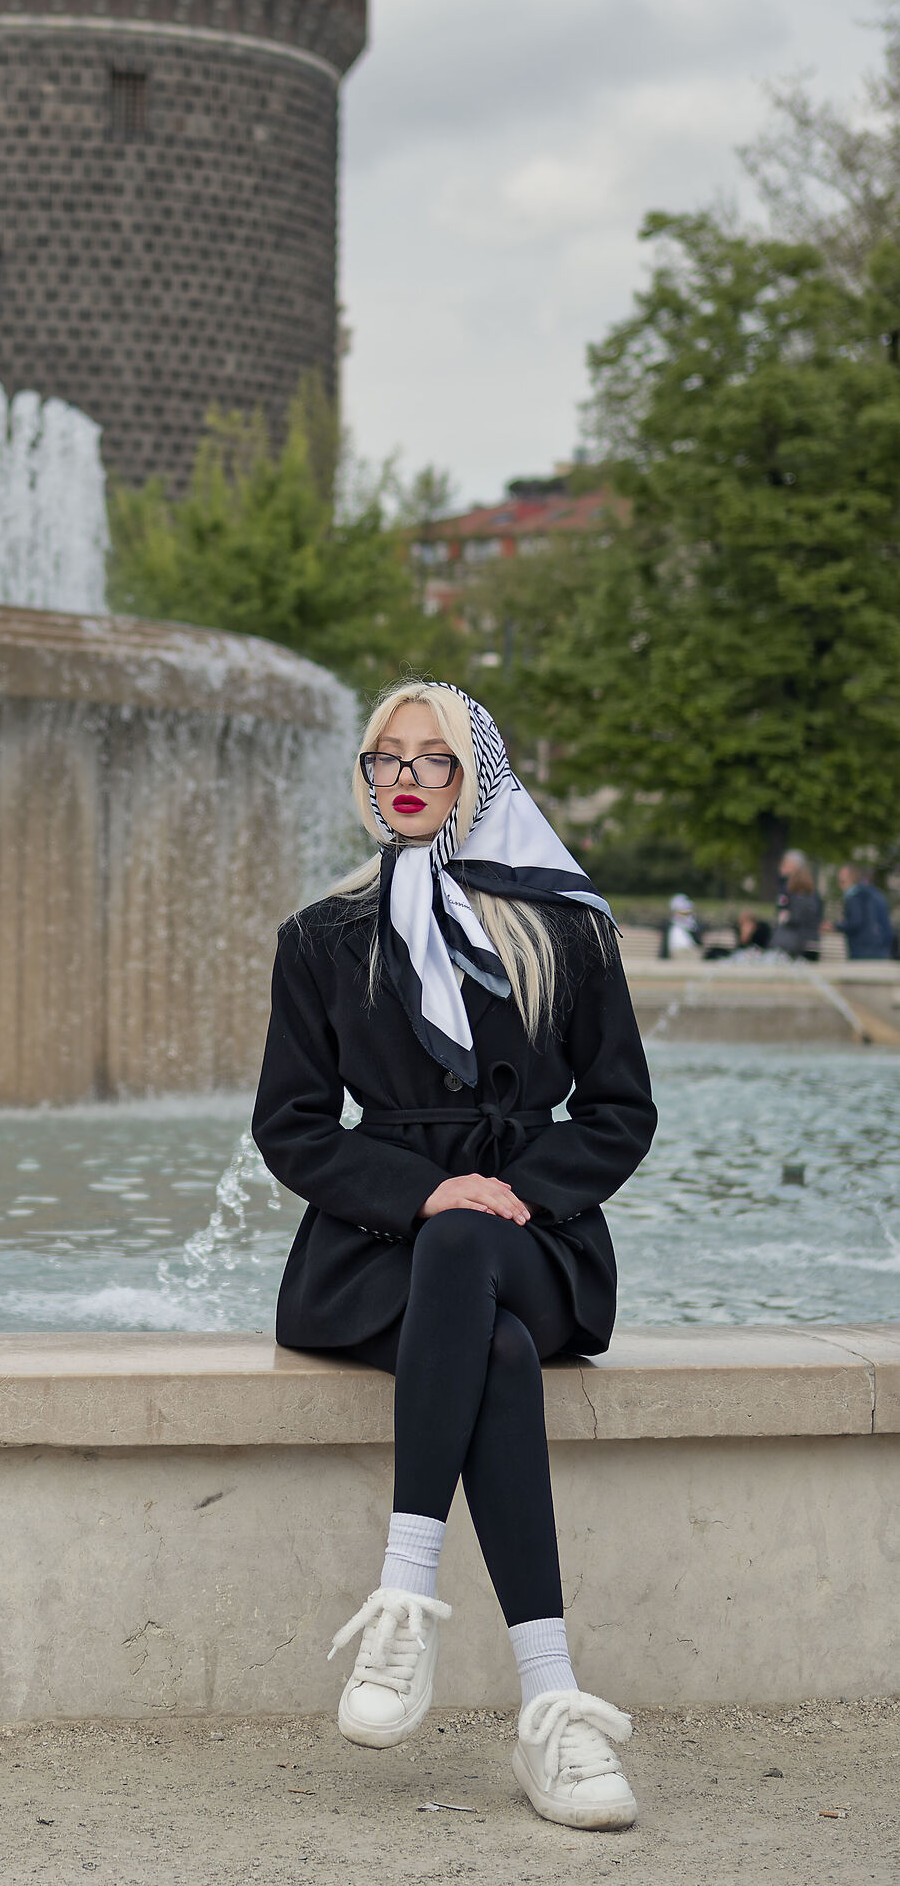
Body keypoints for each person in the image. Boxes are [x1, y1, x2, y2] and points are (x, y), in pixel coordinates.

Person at [252, 680, 656, 1833]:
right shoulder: (322, 937)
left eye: (433, 761)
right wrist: (426, 1191)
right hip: (374, 1251)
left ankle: (402, 1593)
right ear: (367, 780)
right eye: (388, 760)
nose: (408, 779)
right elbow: (289, 1125)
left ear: (472, 776)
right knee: (495, 1353)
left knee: (476, 1242)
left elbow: (620, 1112)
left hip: (540, 1240)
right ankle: (553, 1704)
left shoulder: (568, 930)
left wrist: (505, 1195)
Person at [834, 864, 896, 961]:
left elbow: (855, 922)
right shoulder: (876, 894)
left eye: (842, 881)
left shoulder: (856, 896)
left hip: (862, 950)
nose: (840, 885)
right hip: (879, 948)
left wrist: (835, 926)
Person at [770, 853, 823, 960]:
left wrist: (785, 918)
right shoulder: (814, 897)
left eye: (785, 864)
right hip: (811, 943)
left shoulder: (789, 892)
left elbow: (790, 916)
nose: (781, 867)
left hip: (796, 944)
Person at [662, 892, 702, 958]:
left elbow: (698, 943)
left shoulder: (693, 926)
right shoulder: (671, 926)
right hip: (677, 952)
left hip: (690, 952)